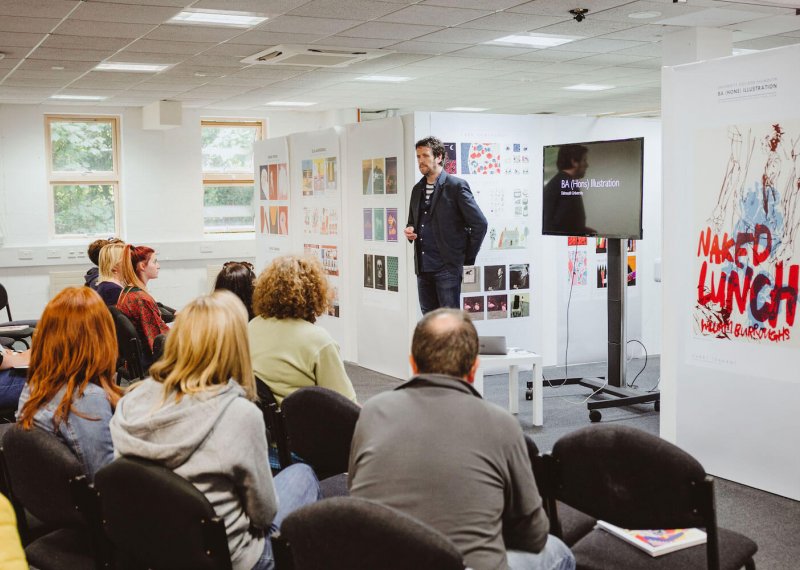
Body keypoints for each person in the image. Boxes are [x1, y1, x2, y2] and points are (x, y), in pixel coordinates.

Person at [348, 309, 575, 570]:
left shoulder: (372, 412)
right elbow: (533, 536)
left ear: (413, 364)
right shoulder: (501, 424)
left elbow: (356, 497)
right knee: (559, 552)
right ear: (473, 369)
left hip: (381, 561)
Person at [110, 290, 321, 570]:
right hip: (229, 559)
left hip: (151, 549)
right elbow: (263, 515)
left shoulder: (132, 400)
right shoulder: (240, 414)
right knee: (303, 475)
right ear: (237, 345)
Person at [16, 287, 122, 481]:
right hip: (94, 505)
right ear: (101, 338)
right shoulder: (87, 399)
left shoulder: (35, 385)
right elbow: (105, 480)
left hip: (50, 499)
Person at [249, 255, 356, 405]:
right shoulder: (318, 341)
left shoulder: (251, 328)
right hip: (304, 425)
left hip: (261, 423)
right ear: (316, 293)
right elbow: (346, 404)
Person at [405, 136, 488, 314]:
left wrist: (465, 257)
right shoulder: (417, 189)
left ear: (439, 157)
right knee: (430, 324)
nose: (421, 161)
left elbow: (480, 224)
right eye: (418, 157)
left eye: (425, 156)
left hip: (447, 269)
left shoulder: (456, 186)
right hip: (423, 268)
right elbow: (412, 222)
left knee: (449, 324)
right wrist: (410, 230)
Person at [116, 244, 170, 363]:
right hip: (148, 359)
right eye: (155, 262)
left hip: (135, 357)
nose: (158, 266)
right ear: (142, 266)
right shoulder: (141, 299)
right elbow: (158, 337)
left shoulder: (127, 291)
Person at [543, 144, 591, 235]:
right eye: (584, 160)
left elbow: (565, 223)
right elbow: (562, 227)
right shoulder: (568, 185)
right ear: (574, 162)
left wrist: (583, 230)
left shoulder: (558, 182)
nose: (587, 165)